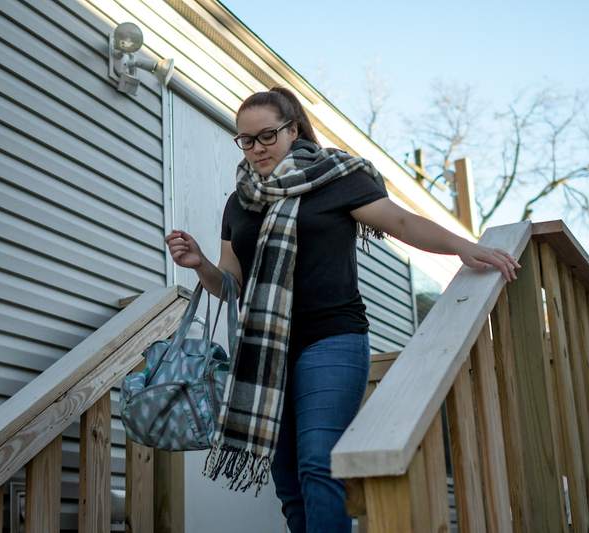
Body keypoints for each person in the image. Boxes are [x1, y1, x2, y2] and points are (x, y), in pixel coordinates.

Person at [165, 86, 520, 533]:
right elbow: (230, 284)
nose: (256, 148)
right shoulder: (239, 202)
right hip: (266, 354)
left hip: (332, 339)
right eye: (247, 140)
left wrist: (463, 247)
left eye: (268, 136)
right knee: (289, 482)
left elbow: (402, 221)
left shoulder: (337, 179)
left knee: (319, 463)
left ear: (293, 130)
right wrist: (200, 265)